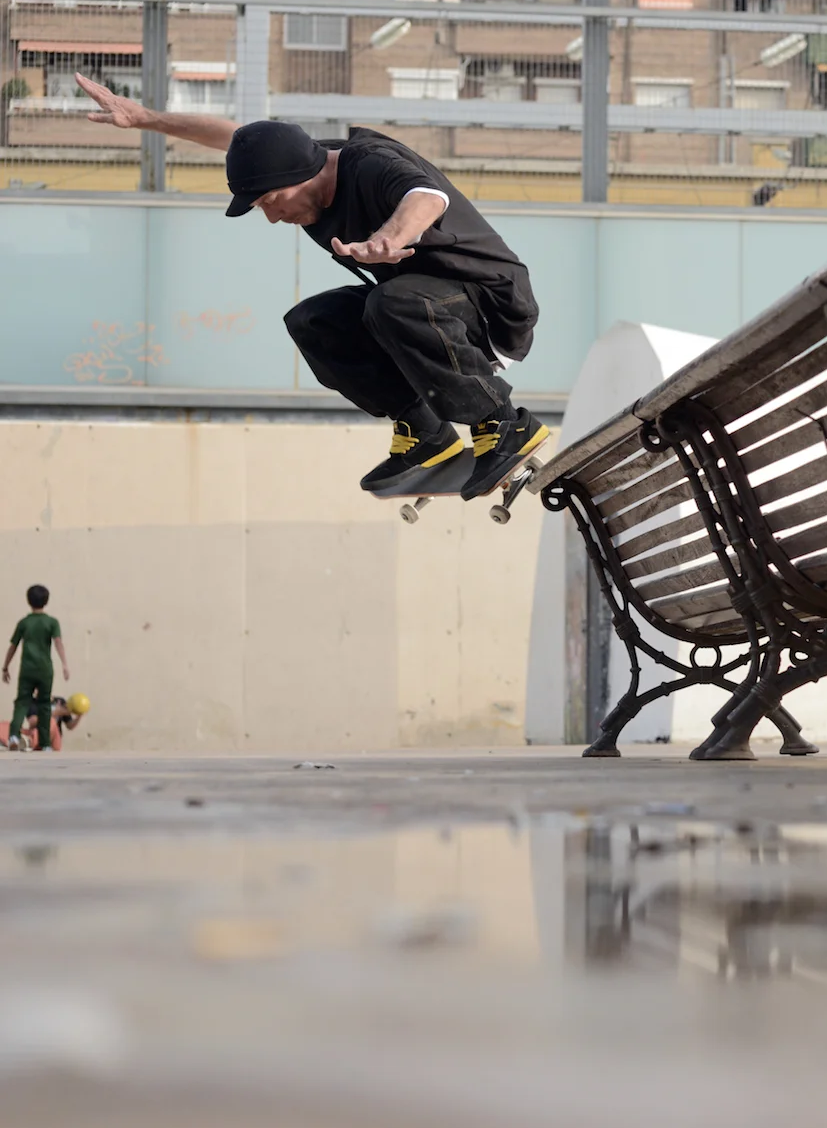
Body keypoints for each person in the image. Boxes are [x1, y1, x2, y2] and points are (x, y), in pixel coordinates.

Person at [73, 75, 549, 500]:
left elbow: (425, 197)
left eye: (274, 202)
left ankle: (503, 422)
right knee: (313, 323)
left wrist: (391, 238)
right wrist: (142, 118)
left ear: (302, 176)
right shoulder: (302, 157)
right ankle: (428, 435)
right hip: (425, 314)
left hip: (490, 304)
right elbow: (231, 136)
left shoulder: (372, 165)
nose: (275, 216)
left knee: (391, 301)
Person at [4, 585, 71, 753]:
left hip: (27, 669)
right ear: (46, 601)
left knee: (22, 702)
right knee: (44, 705)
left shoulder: (24, 623)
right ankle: (46, 743)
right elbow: (58, 643)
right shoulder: (52, 622)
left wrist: (5, 666)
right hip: (45, 669)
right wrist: (64, 664)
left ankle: (13, 736)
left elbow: (13, 645)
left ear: (28, 601)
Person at [18, 695, 85, 752]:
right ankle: (29, 742)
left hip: (55, 738)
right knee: (51, 721)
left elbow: (70, 726)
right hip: (38, 735)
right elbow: (32, 722)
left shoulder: (60, 701)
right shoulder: (32, 702)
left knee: (52, 722)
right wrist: (55, 713)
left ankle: (30, 742)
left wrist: (79, 716)